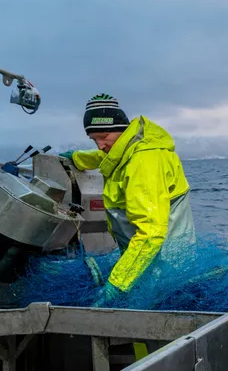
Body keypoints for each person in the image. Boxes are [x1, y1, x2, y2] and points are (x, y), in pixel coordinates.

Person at [59, 93, 195, 306]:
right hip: (143, 260)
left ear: (121, 129)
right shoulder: (127, 147)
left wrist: (117, 284)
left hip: (163, 263)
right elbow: (105, 156)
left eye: (103, 137)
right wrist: (77, 158)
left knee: (154, 308)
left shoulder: (144, 162)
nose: (100, 145)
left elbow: (151, 234)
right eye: (94, 139)